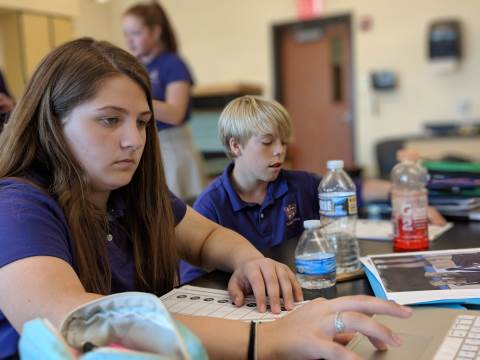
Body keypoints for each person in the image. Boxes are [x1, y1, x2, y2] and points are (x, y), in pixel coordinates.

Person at [0, 38, 412, 359]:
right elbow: (71, 319)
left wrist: (249, 261)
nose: (134, 140)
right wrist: (264, 339)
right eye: (110, 120)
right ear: (52, 123)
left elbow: (206, 239)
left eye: (143, 123)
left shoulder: (125, 192)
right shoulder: (17, 204)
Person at [180, 96, 446, 283]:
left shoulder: (298, 184)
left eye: (283, 142)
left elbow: (358, 189)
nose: (279, 151)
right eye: (267, 142)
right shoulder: (210, 205)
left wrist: (401, 195)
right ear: (235, 146)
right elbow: (193, 280)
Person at [122, 1, 205, 200]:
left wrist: (134, 99)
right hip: (146, 144)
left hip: (173, 147)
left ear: (155, 32)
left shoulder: (173, 64)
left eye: (136, 33)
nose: (129, 41)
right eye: (126, 34)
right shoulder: (135, 66)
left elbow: (175, 113)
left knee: (177, 209)